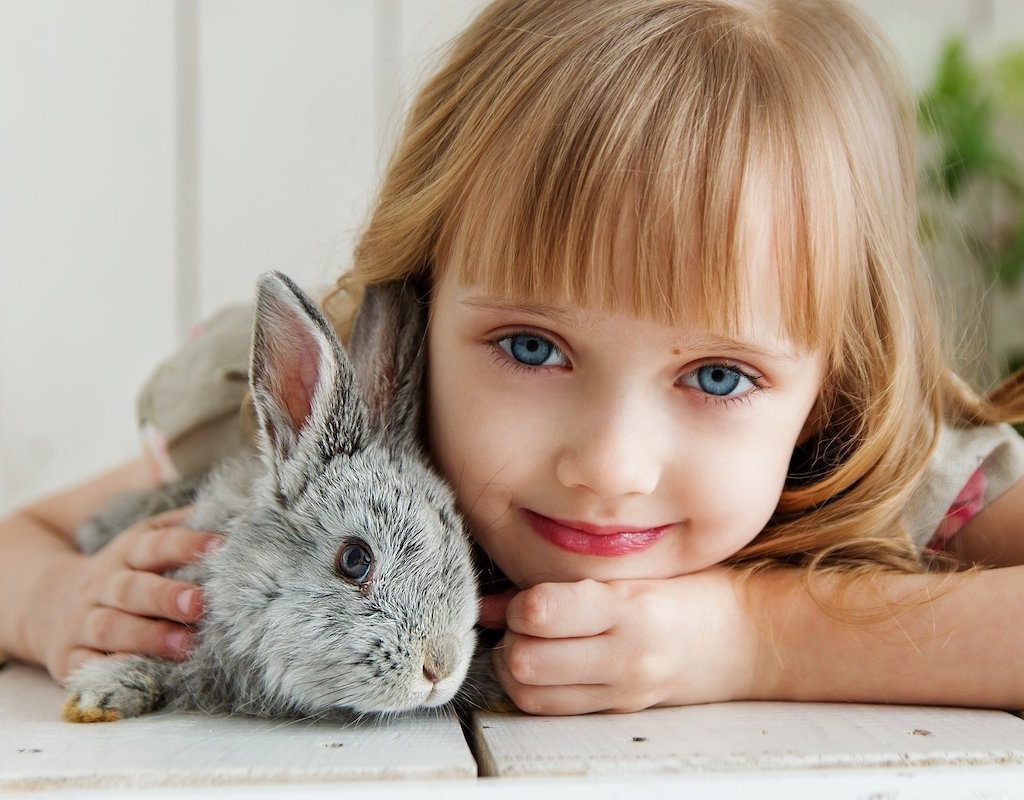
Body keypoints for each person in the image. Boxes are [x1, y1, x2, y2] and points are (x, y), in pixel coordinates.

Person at [4, 0, 1024, 716]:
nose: (609, 464)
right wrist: (57, 600)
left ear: (829, 387)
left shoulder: (861, 463)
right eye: (531, 346)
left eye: (718, 375)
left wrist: (758, 637)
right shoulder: (338, 419)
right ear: (424, 295)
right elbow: (22, 538)